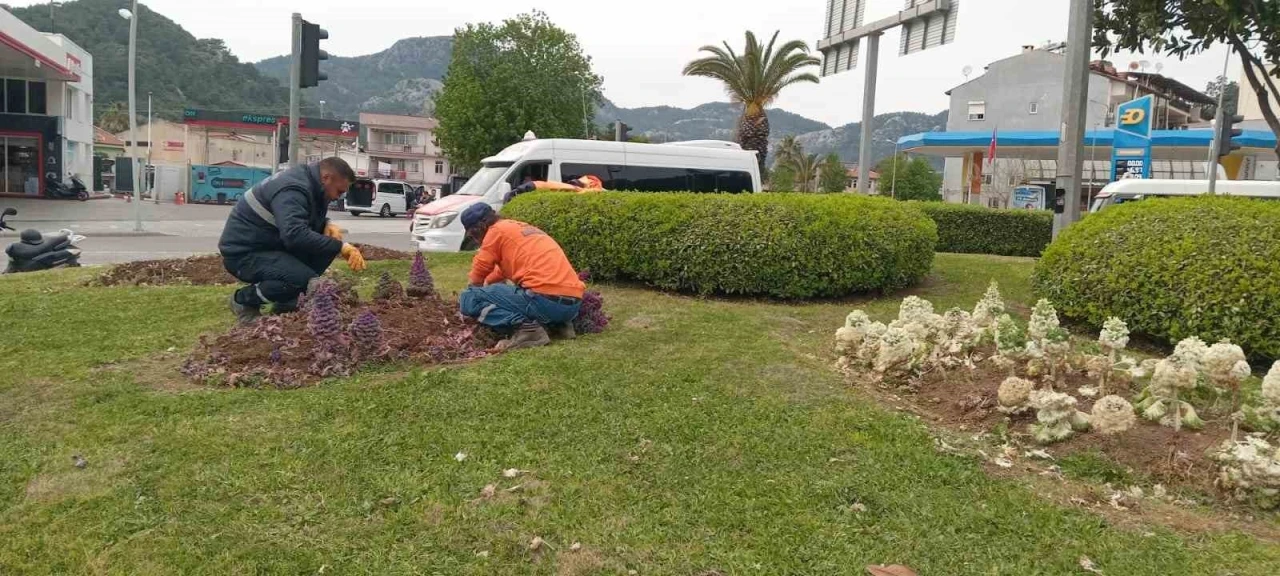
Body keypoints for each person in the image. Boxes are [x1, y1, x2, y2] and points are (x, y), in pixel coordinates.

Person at [219, 157, 367, 323]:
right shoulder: (293, 189)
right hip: (244, 253)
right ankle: (243, 301)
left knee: (327, 246)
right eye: (339, 191)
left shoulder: (314, 186)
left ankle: (287, 303)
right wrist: (341, 246)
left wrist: (326, 224)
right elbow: (294, 234)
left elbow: (301, 219)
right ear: (326, 178)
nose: (337, 197)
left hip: (270, 244)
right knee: (303, 280)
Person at [457, 203, 584, 350]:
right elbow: (501, 272)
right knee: (507, 290)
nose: (475, 241)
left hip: (545, 302)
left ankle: (527, 331)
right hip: (572, 306)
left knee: (468, 298)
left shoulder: (495, 232)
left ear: (479, 228)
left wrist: (473, 292)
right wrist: (487, 287)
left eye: (473, 236)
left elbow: (480, 268)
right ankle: (560, 326)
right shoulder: (516, 228)